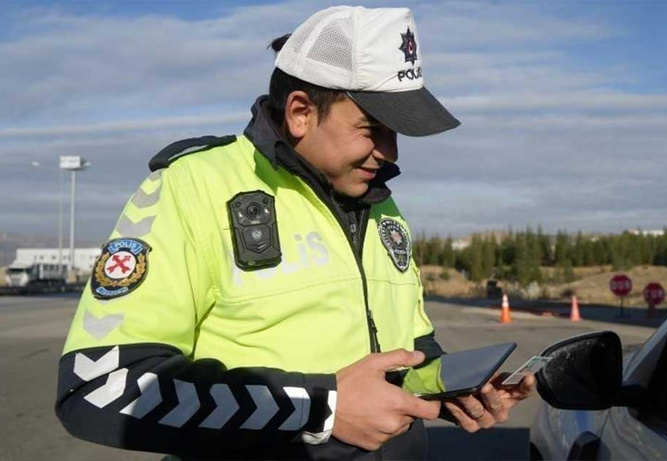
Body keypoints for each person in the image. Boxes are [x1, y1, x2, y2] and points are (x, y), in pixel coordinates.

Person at [55, 6, 534, 460]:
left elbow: (411, 350)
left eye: (397, 133)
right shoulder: (191, 187)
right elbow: (99, 385)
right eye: (373, 129)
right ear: (301, 112)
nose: (389, 153)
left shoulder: (381, 203)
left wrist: (455, 390)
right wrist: (318, 408)